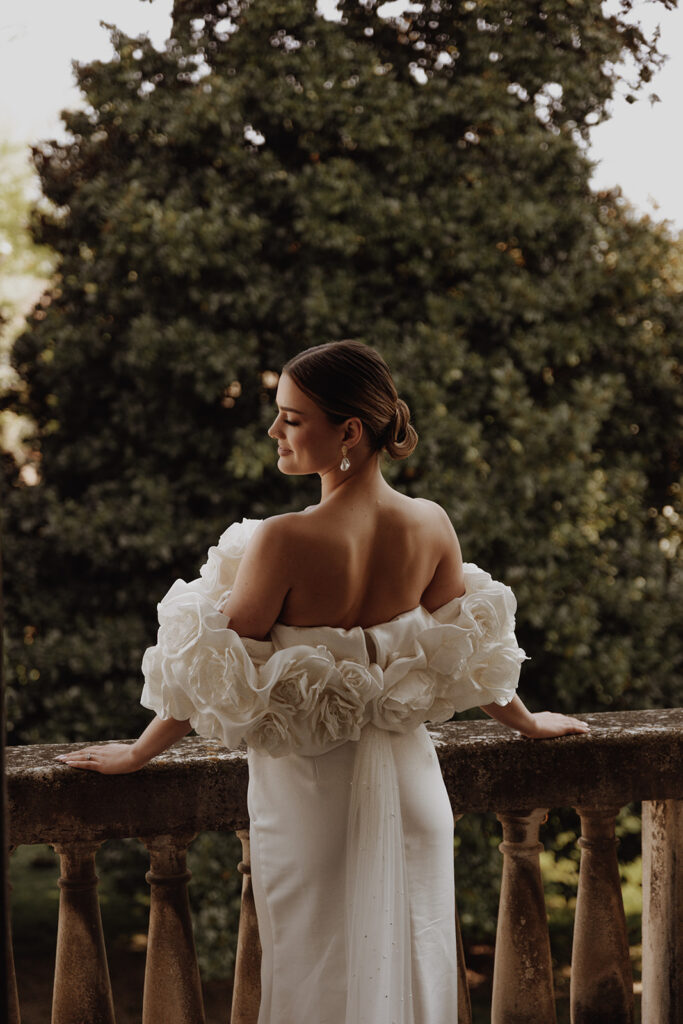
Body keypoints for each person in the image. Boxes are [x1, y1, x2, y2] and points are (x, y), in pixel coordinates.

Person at [57, 340, 589, 1024]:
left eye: (291, 417)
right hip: (412, 789)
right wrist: (524, 721)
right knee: (413, 967)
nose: (273, 431)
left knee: (316, 979)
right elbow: (472, 649)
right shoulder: (429, 523)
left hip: (312, 800)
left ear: (348, 431)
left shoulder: (284, 542)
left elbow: (215, 673)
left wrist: (137, 754)